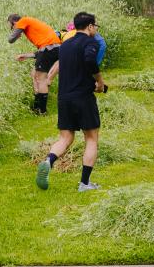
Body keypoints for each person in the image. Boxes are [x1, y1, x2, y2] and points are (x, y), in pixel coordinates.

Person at [37, 12, 107, 192]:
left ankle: (48, 161)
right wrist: (99, 81)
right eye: (95, 26)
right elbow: (90, 61)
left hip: (64, 98)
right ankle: (84, 183)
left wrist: (49, 79)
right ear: (90, 26)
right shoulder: (91, 42)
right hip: (83, 97)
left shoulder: (65, 44)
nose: (96, 29)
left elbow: (59, 65)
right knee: (91, 139)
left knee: (65, 138)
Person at [7, 14, 61, 115]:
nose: (13, 29)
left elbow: (11, 39)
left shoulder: (23, 21)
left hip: (47, 49)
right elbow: (45, 49)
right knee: (34, 74)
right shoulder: (31, 22)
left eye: (12, 27)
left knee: (41, 80)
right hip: (54, 49)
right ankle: (36, 107)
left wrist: (17, 33)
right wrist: (26, 56)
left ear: (14, 22)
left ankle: (42, 111)